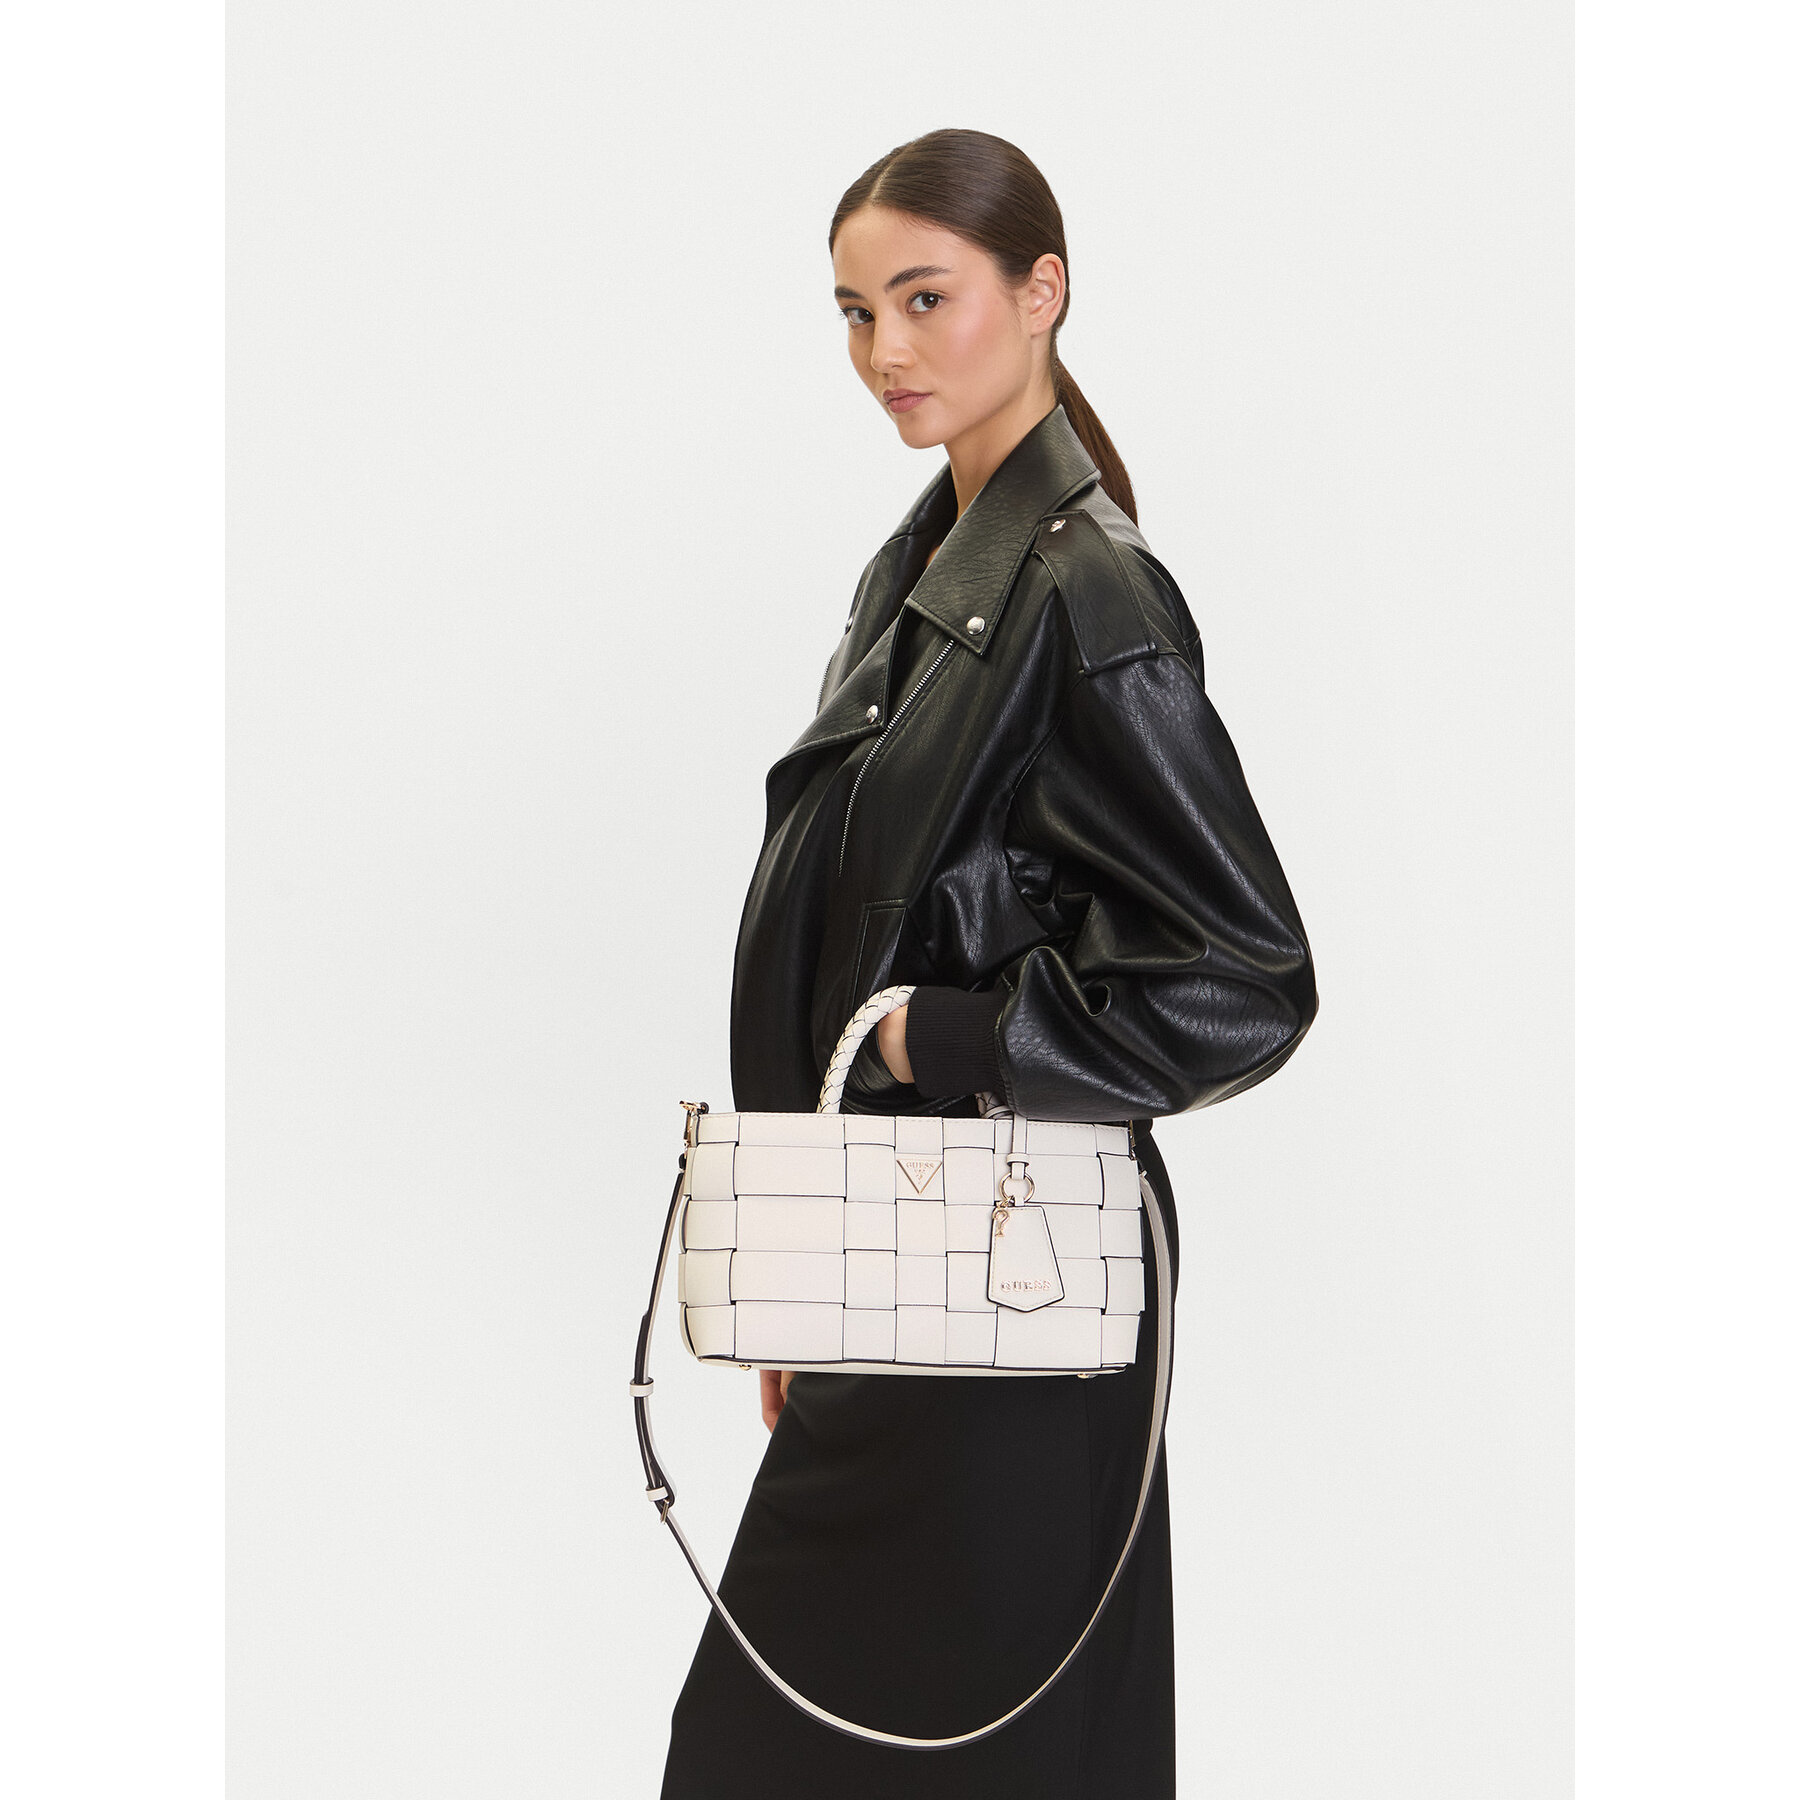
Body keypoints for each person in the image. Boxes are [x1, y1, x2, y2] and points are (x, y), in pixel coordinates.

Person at [658, 127, 1317, 1799]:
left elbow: (1247, 975)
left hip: (1005, 1279)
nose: (885, 349)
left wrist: (955, 1039)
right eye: (854, 311)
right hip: (903, 1268)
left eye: (924, 298)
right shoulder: (923, 575)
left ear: (1042, 294)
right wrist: (805, 1249)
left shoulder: (1086, 593)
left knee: (893, 1755)